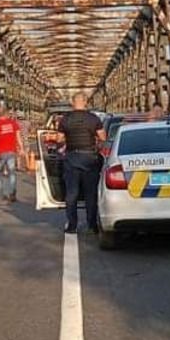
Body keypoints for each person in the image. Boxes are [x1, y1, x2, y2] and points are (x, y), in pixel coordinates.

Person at [57, 93, 106, 234]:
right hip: (90, 159)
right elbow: (103, 137)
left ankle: (72, 225)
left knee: (71, 194)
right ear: (86, 102)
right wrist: (97, 147)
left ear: (73, 102)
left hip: (72, 158)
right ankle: (92, 225)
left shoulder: (65, 120)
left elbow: (59, 139)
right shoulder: (93, 119)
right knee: (90, 194)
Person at [0, 109, 23, 202]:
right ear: (7, 115)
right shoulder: (13, 124)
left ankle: (0, 194)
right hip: (11, 151)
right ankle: (12, 194)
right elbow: (18, 137)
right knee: (12, 173)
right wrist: (21, 148)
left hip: (1, 152)